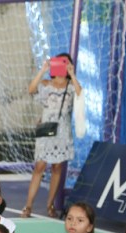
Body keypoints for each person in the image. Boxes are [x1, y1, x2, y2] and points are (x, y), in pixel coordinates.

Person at [20, 54, 82, 219]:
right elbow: (31, 89)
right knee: (39, 167)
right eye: (59, 62)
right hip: (46, 128)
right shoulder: (46, 84)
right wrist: (43, 70)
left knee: (57, 168)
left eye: (65, 62)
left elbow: (80, 94)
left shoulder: (70, 85)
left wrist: (72, 74)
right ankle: (28, 206)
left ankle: (50, 205)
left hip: (62, 131)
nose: (62, 66)